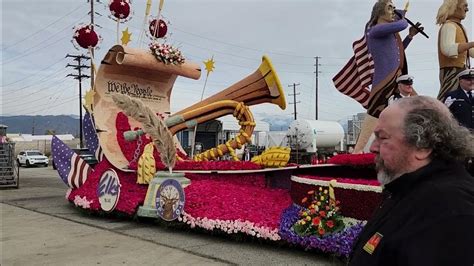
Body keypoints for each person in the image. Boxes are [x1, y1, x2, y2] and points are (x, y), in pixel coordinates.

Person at [349, 96, 474, 265]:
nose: (372, 147)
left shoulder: (449, 207)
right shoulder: (405, 188)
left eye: (382, 138)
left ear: (423, 146)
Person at [353, 0, 423, 153]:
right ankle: (358, 151)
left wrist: (410, 36)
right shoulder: (375, 29)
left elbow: (398, 51)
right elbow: (401, 25)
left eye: (393, 8)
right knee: (375, 113)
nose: (393, 10)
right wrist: (402, 15)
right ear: (379, 12)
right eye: (389, 8)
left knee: (416, 106)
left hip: (397, 78)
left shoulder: (390, 34)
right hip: (384, 80)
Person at [436, 0, 474, 101]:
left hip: (461, 71)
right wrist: (471, 44)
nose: (467, 9)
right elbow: (447, 49)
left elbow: (468, 51)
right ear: (454, 7)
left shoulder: (459, 27)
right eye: (464, 6)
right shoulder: (449, 26)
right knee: (448, 99)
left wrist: (470, 46)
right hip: (451, 72)